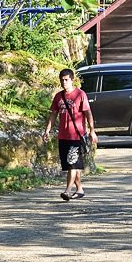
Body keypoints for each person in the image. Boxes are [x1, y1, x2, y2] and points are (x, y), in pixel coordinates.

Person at [43, 68, 97, 201]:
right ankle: (79, 189)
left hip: (76, 136)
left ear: (72, 80)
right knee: (72, 164)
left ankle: (67, 190)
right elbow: (53, 114)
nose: (64, 82)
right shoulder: (58, 97)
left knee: (72, 163)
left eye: (66, 80)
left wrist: (92, 130)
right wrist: (47, 130)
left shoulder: (80, 94)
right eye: (62, 80)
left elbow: (88, 113)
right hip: (63, 136)